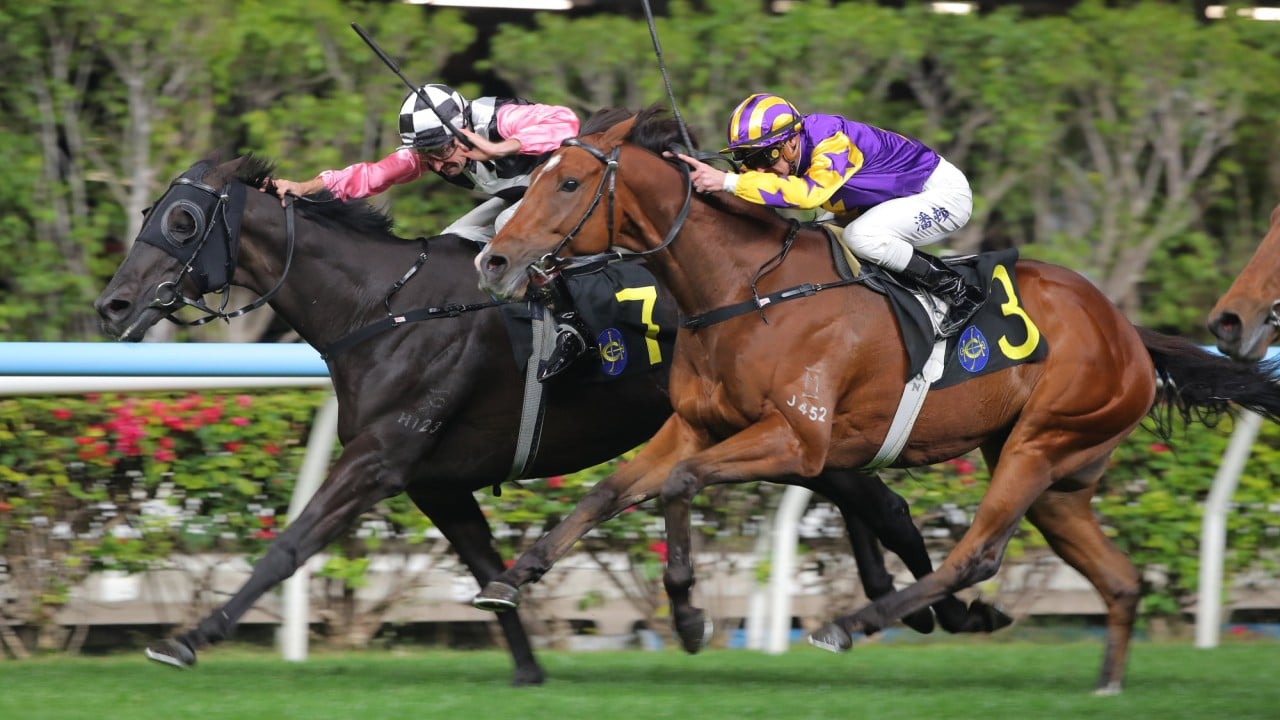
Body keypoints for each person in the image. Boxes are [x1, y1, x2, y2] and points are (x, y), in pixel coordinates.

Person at [266, 83, 591, 379]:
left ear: (462, 129)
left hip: (572, 194)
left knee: (505, 227)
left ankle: (570, 327)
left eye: (442, 151)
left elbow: (566, 121)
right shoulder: (432, 149)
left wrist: (501, 148)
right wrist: (304, 187)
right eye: (426, 156)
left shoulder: (497, 117)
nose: (436, 165)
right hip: (524, 197)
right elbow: (368, 175)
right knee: (453, 242)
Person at [674, 93, 984, 338]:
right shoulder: (785, 150)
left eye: (764, 156)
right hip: (885, 200)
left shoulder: (832, 140)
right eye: (747, 158)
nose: (758, 169)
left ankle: (957, 290)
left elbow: (808, 196)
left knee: (861, 237)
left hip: (941, 195)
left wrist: (728, 182)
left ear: (792, 141)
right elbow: (753, 184)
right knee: (812, 240)